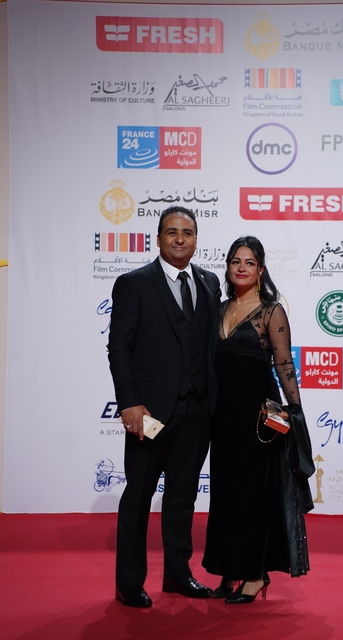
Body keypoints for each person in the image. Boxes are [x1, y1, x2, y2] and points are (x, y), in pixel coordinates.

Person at [108, 206, 221, 607]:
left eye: (187, 233)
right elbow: (119, 349)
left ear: (196, 240)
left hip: (198, 413)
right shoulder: (134, 284)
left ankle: (177, 574)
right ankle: (129, 584)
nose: (179, 239)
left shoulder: (209, 282)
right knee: (138, 498)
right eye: (171, 232)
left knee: (182, 497)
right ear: (158, 238)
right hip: (150, 415)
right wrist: (129, 403)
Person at [202, 236, 314, 604]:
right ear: (228, 267)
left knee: (252, 496)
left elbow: (284, 364)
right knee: (226, 494)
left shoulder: (271, 311)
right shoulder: (219, 309)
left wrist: (294, 412)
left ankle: (254, 574)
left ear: (260, 270)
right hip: (223, 417)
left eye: (249, 262)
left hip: (258, 419)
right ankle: (229, 568)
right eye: (236, 261)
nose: (242, 267)